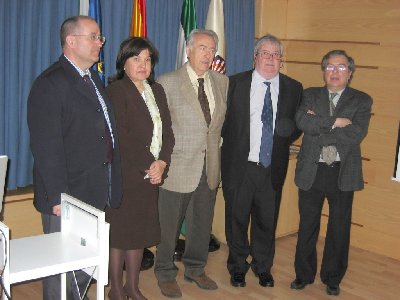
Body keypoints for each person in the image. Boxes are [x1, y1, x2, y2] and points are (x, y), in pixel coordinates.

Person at [27, 15, 122, 299]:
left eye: (100, 37)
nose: (100, 43)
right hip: (68, 196)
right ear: (71, 41)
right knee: (62, 271)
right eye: (93, 37)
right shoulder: (51, 83)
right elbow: (46, 148)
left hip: (94, 188)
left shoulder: (92, 78)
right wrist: (58, 198)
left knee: (84, 266)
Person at [221, 34, 303, 288]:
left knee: (267, 221)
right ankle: (237, 266)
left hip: (271, 167)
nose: (270, 58)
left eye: (276, 54)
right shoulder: (233, 84)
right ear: (255, 57)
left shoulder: (293, 88)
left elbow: (297, 125)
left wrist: (284, 134)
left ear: (281, 60)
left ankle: (262, 266)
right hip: (240, 166)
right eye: (265, 53)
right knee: (236, 219)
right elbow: (221, 123)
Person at [290, 50, 372, 296]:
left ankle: (332, 278)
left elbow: (356, 134)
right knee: (307, 226)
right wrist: (337, 121)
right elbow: (302, 122)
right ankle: (303, 275)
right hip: (311, 171)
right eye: (330, 67)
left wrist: (320, 124)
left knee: (339, 228)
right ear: (323, 71)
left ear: (350, 73)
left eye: (341, 67)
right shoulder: (310, 94)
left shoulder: (362, 100)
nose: (335, 72)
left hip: (342, 172)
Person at [154, 29, 228, 298]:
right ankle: (164, 272)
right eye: (202, 48)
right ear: (188, 50)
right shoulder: (167, 81)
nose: (207, 54)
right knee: (169, 224)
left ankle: (196, 268)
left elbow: (217, 127)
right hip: (177, 166)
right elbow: (159, 128)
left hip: (209, 167)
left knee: (201, 222)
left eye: (211, 49)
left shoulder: (221, 82)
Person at [105, 37, 174, 300]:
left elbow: (167, 131)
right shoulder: (116, 91)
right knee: (121, 235)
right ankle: (116, 290)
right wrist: (150, 167)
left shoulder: (157, 91)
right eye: (136, 59)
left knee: (139, 233)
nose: (143, 64)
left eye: (147, 59)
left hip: (151, 175)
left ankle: (133, 287)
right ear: (124, 62)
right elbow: (122, 137)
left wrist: (162, 163)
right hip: (127, 175)